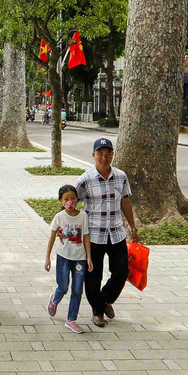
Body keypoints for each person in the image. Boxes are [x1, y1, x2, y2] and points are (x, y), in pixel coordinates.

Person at [75, 138, 138, 327]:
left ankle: (106, 300)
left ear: (112, 155)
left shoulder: (121, 176)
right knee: (93, 275)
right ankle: (97, 311)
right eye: (99, 153)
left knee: (121, 271)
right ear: (93, 155)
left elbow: (125, 201)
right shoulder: (85, 179)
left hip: (117, 232)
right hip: (93, 234)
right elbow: (71, 203)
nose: (104, 157)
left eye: (108, 153)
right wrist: (67, 228)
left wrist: (133, 228)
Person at [45, 185, 93, 334]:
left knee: (77, 290)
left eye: (73, 198)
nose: (70, 201)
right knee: (64, 287)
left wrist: (89, 257)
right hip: (63, 257)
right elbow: (52, 236)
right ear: (61, 201)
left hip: (80, 259)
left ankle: (71, 320)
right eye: (66, 199)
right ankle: (55, 299)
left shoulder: (83, 216)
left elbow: (86, 236)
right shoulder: (59, 217)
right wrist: (47, 257)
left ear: (78, 199)